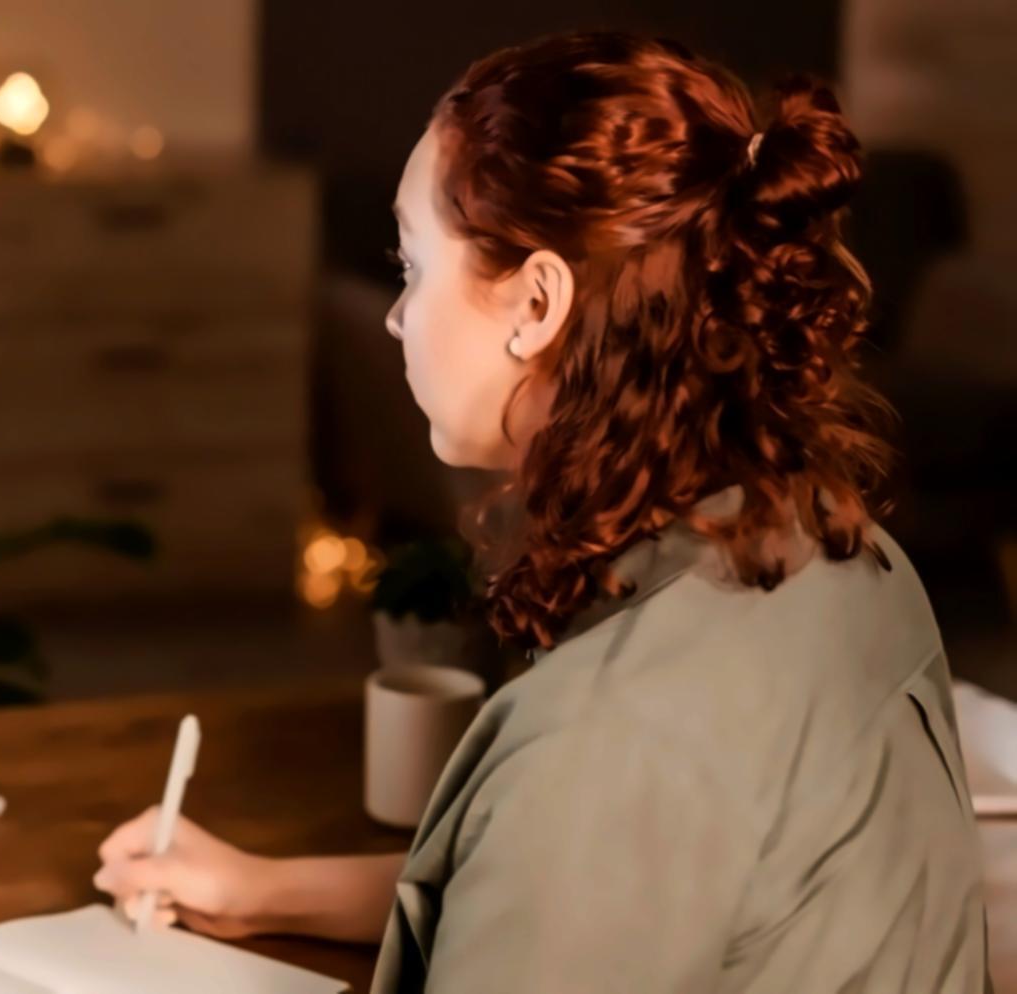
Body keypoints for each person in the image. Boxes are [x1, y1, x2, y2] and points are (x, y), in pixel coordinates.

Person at [93, 30, 989, 993]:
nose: (397, 317)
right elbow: (597, 884)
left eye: (410, 266)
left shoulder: (606, 730)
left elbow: (586, 826)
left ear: (534, 304)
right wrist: (260, 890)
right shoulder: (838, 546)